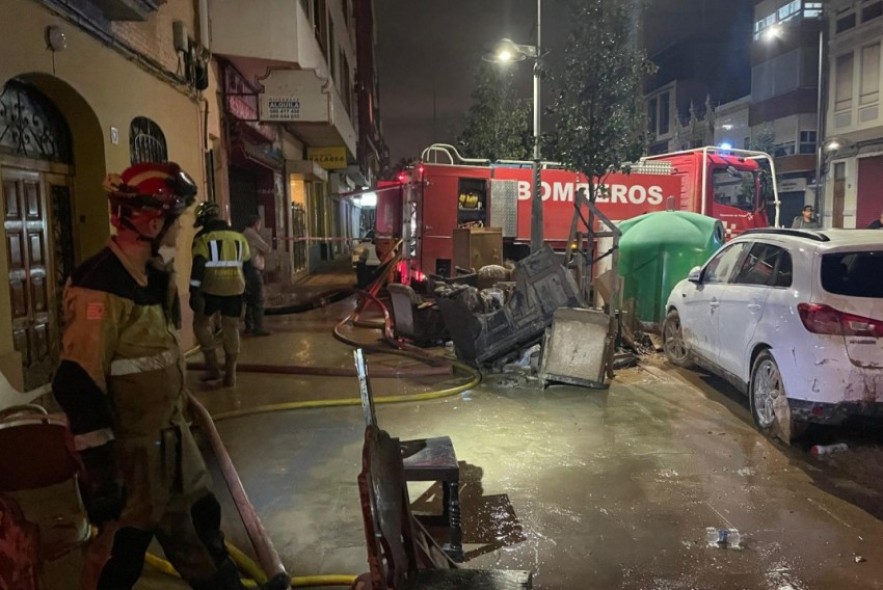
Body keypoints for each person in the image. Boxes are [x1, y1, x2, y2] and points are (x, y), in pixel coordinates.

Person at [51, 163, 287, 590]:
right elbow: (77, 383)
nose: (179, 232)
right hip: (133, 456)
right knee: (120, 553)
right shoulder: (99, 287)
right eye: (175, 222)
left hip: (174, 444)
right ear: (152, 223)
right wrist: (102, 472)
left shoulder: (152, 277)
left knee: (200, 527)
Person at [190, 202, 250, 386]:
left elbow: (198, 265)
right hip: (236, 289)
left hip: (211, 289)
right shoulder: (239, 237)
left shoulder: (203, 237)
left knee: (200, 324)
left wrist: (193, 291)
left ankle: (213, 367)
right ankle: (230, 375)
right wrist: (246, 290)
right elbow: (246, 264)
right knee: (231, 328)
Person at [242, 214, 271, 336]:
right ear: (256, 223)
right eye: (259, 224)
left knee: (249, 300)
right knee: (258, 300)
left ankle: (249, 326)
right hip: (254, 271)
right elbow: (267, 249)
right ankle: (258, 328)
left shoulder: (244, 234)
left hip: (246, 270)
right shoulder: (252, 234)